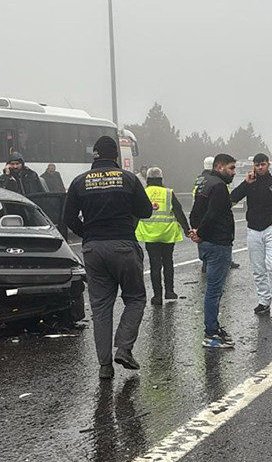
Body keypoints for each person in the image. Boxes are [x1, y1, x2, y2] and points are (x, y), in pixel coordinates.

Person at [62, 136, 153, 379]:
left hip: (92, 248)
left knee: (101, 307)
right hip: (123, 244)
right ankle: (123, 347)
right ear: (115, 156)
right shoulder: (128, 179)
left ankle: (104, 366)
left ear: (94, 155)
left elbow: (68, 218)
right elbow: (145, 211)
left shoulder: (79, 182)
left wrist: (88, 233)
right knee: (135, 298)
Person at [232, 153, 272, 317]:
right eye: (257, 165)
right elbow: (233, 198)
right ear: (254, 166)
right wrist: (246, 183)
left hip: (271, 230)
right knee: (258, 269)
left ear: (268, 164)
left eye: (263, 164)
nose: (260, 167)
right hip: (253, 230)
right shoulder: (250, 183)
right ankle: (264, 301)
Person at [190, 154, 238, 348]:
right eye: (231, 168)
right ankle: (210, 333)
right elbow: (213, 214)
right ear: (220, 167)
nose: (234, 173)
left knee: (214, 289)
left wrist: (195, 231)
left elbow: (196, 211)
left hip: (208, 242)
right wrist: (200, 233)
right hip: (218, 243)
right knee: (214, 290)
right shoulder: (218, 186)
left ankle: (214, 327)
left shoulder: (204, 182)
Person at [135, 167, 191, 306]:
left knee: (155, 265)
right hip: (167, 234)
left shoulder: (143, 193)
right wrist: (186, 229)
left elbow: (134, 213)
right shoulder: (168, 193)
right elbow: (179, 212)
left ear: (147, 180)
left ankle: (157, 296)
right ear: (161, 179)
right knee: (168, 262)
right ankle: (170, 291)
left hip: (150, 234)